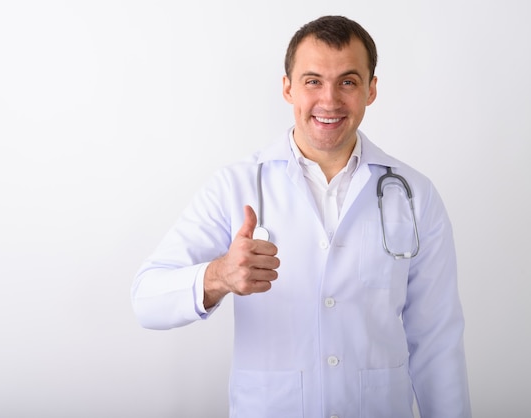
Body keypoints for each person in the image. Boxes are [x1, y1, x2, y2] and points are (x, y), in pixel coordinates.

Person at [131, 15, 471, 418]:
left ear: (371, 90)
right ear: (287, 88)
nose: (329, 100)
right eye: (312, 81)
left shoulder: (415, 194)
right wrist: (218, 276)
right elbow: (146, 300)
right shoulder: (234, 186)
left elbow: (436, 340)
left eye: (348, 81)